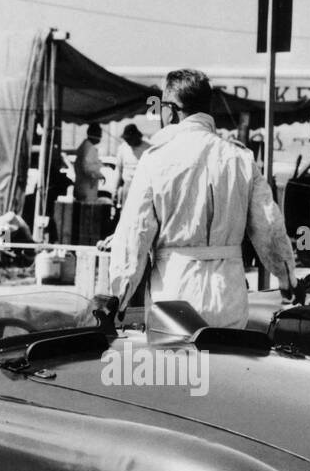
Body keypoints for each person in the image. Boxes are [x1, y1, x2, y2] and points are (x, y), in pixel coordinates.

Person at [106, 68, 296, 329]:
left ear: (171, 110)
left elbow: (134, 236)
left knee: (178, 370)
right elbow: (270, 228)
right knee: (227, 367)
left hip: (174, 296)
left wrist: (118, 299)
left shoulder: (155, 160)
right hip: (229, 296)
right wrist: (287, 281)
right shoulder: (240, 158)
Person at [114, 123, 149, 209]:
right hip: (127, 188)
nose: (127, 141)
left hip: (143, 189)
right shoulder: (122, 148)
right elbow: (119, 170)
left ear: (136, 136)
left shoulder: (148, 148)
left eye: (129, 139)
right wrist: (115, 190)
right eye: (126, 139)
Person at [73, 122, 105, 203]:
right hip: (86, 188)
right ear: (93, 134)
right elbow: (87, 168)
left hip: (83, 186)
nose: (100, 137)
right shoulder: (89, 148)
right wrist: (99, 175)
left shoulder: (86, 146)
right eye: (99, 134)